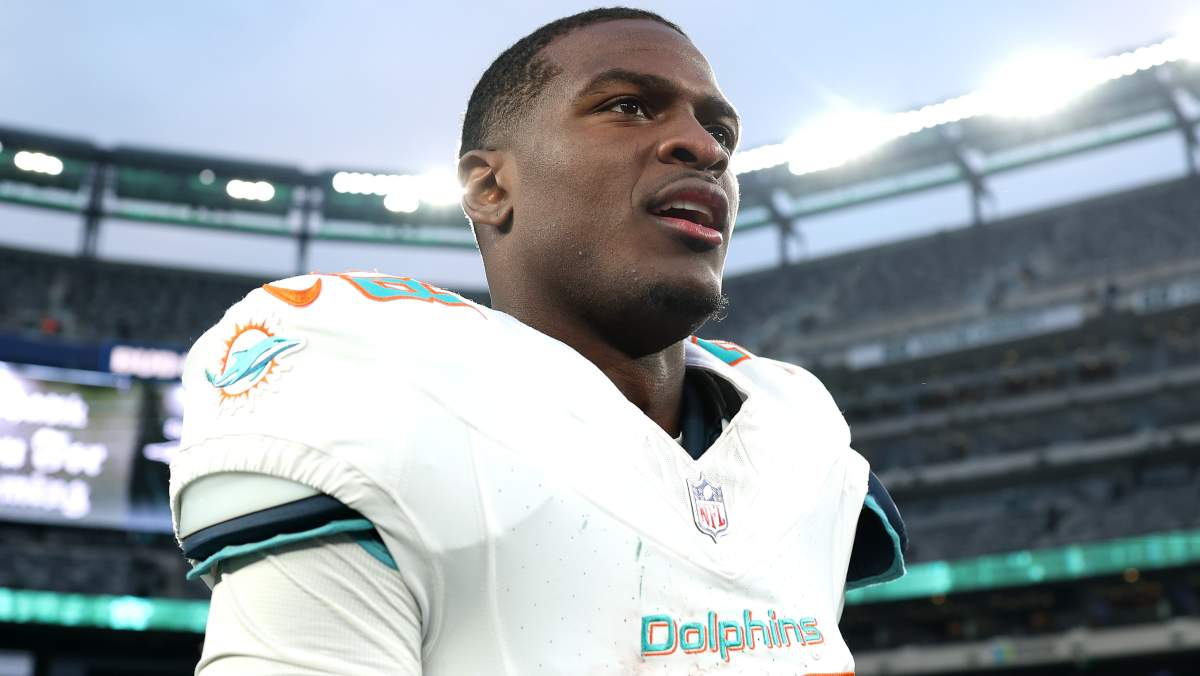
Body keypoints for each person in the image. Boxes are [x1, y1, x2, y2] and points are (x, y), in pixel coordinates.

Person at [170, 7, 907, 674]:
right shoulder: (375, 388)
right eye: (627, 106)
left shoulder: (795, 431)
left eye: (721, 132)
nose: (702, 146)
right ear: (490, 188)